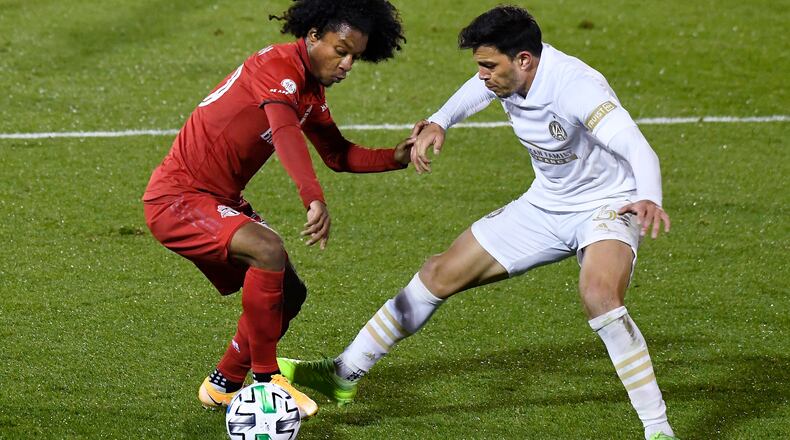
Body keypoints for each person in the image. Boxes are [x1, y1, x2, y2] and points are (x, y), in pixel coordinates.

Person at [277, 5, 678, 439]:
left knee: (599, 295)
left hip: (609, 204)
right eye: (480, 65)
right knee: (438, 273)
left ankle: (657, 429)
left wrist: (649, 197)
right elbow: (476, 89)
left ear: (524, 60)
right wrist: (440, 121)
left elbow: (638, 147)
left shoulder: (576, 87)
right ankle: (344, 373)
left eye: (489, 66)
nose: (483, 75)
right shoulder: (509, 73)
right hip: (546, 204)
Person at [142, 0, 413, 419]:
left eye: (354, 57)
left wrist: (394, 157)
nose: (347, 65)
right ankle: (267, 381)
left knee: (290, 293)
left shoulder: (310, 89)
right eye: (341, 51)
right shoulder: (277, 68)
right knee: (267, 249)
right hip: (178, 197)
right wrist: (312, 196)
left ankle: (224, 384)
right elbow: (285, 131)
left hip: (219, 199)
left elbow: (337, 154)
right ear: (313, 36)